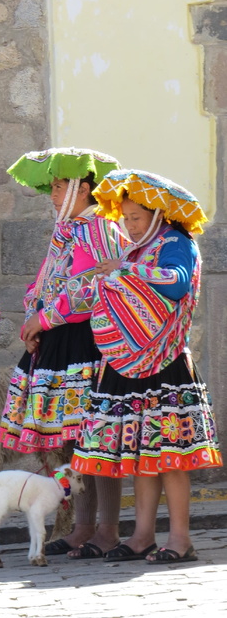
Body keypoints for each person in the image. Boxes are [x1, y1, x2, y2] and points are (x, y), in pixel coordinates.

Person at [72, 169, 222, 563]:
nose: (129, 226)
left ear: (157, 215)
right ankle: (141, 536)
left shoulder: (177, 243)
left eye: (136, 218)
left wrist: (126, 270)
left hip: (166, 366)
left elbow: (176, 283)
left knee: (171, 456)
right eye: (125, 218)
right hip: (129, 364)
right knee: (144, 453)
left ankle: (180, 538)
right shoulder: (136, 250)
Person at [0, 147, 130, 559]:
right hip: (58, 339)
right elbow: (47, 279)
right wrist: (32, 319)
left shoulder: (101, 228)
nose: (53, 195)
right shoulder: (66, 230)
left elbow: (99, 286)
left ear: (83, 188)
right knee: (73, 440)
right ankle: (82, 527)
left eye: (59, 187)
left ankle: (107, 530)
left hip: (88, 342)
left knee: (97, 436)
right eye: (52, 187)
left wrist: (47, 318)